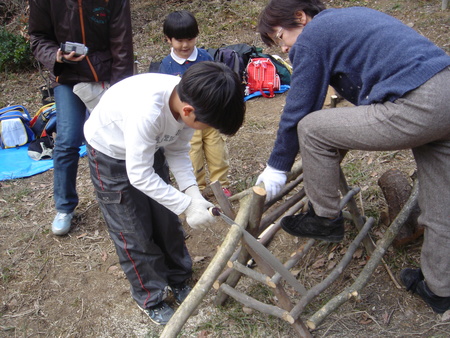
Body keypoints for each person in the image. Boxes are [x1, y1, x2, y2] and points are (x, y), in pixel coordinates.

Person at [255, 0, 450, 314]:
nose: (285, 49)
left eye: (281, 38)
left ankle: (324, 217)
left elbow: (299, 109)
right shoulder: (350, 18)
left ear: (300, 17)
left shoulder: (314, 34)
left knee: (312, 128)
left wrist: (277, 166)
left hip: (419, 101)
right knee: (443, 199)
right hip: (445, 89)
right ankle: (440, 289)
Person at [83, 61, 246, 325]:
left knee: (166, 221)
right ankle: (151, 296)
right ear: (189, 111)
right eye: (207, 125)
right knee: (133, 230)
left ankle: (179, 277)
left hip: (150, 146)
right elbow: (138, 175)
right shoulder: (148, 112)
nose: (205, 131)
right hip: (110, 154)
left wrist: (193, 195)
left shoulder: (187, 103)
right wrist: (185, 205)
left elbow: (178, 151)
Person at [28, 0, 134, 236]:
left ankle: (131, 192)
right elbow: (38, 36)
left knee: (117, 136)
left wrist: (120, 88)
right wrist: (56, 56)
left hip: (106, 73)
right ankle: (64, 207)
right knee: (67, 140)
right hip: (68, 77)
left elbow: (122, 43)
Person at [159, 10, 233, 198]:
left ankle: (221, 184)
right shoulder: (166, 66)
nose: (185, 45)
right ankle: (197, 189)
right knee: (192, 155)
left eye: (190, 39)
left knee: (217, 153)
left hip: (210, 117)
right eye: (179, 40)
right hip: (187, 121)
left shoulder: (205, 58)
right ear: (168, 39)